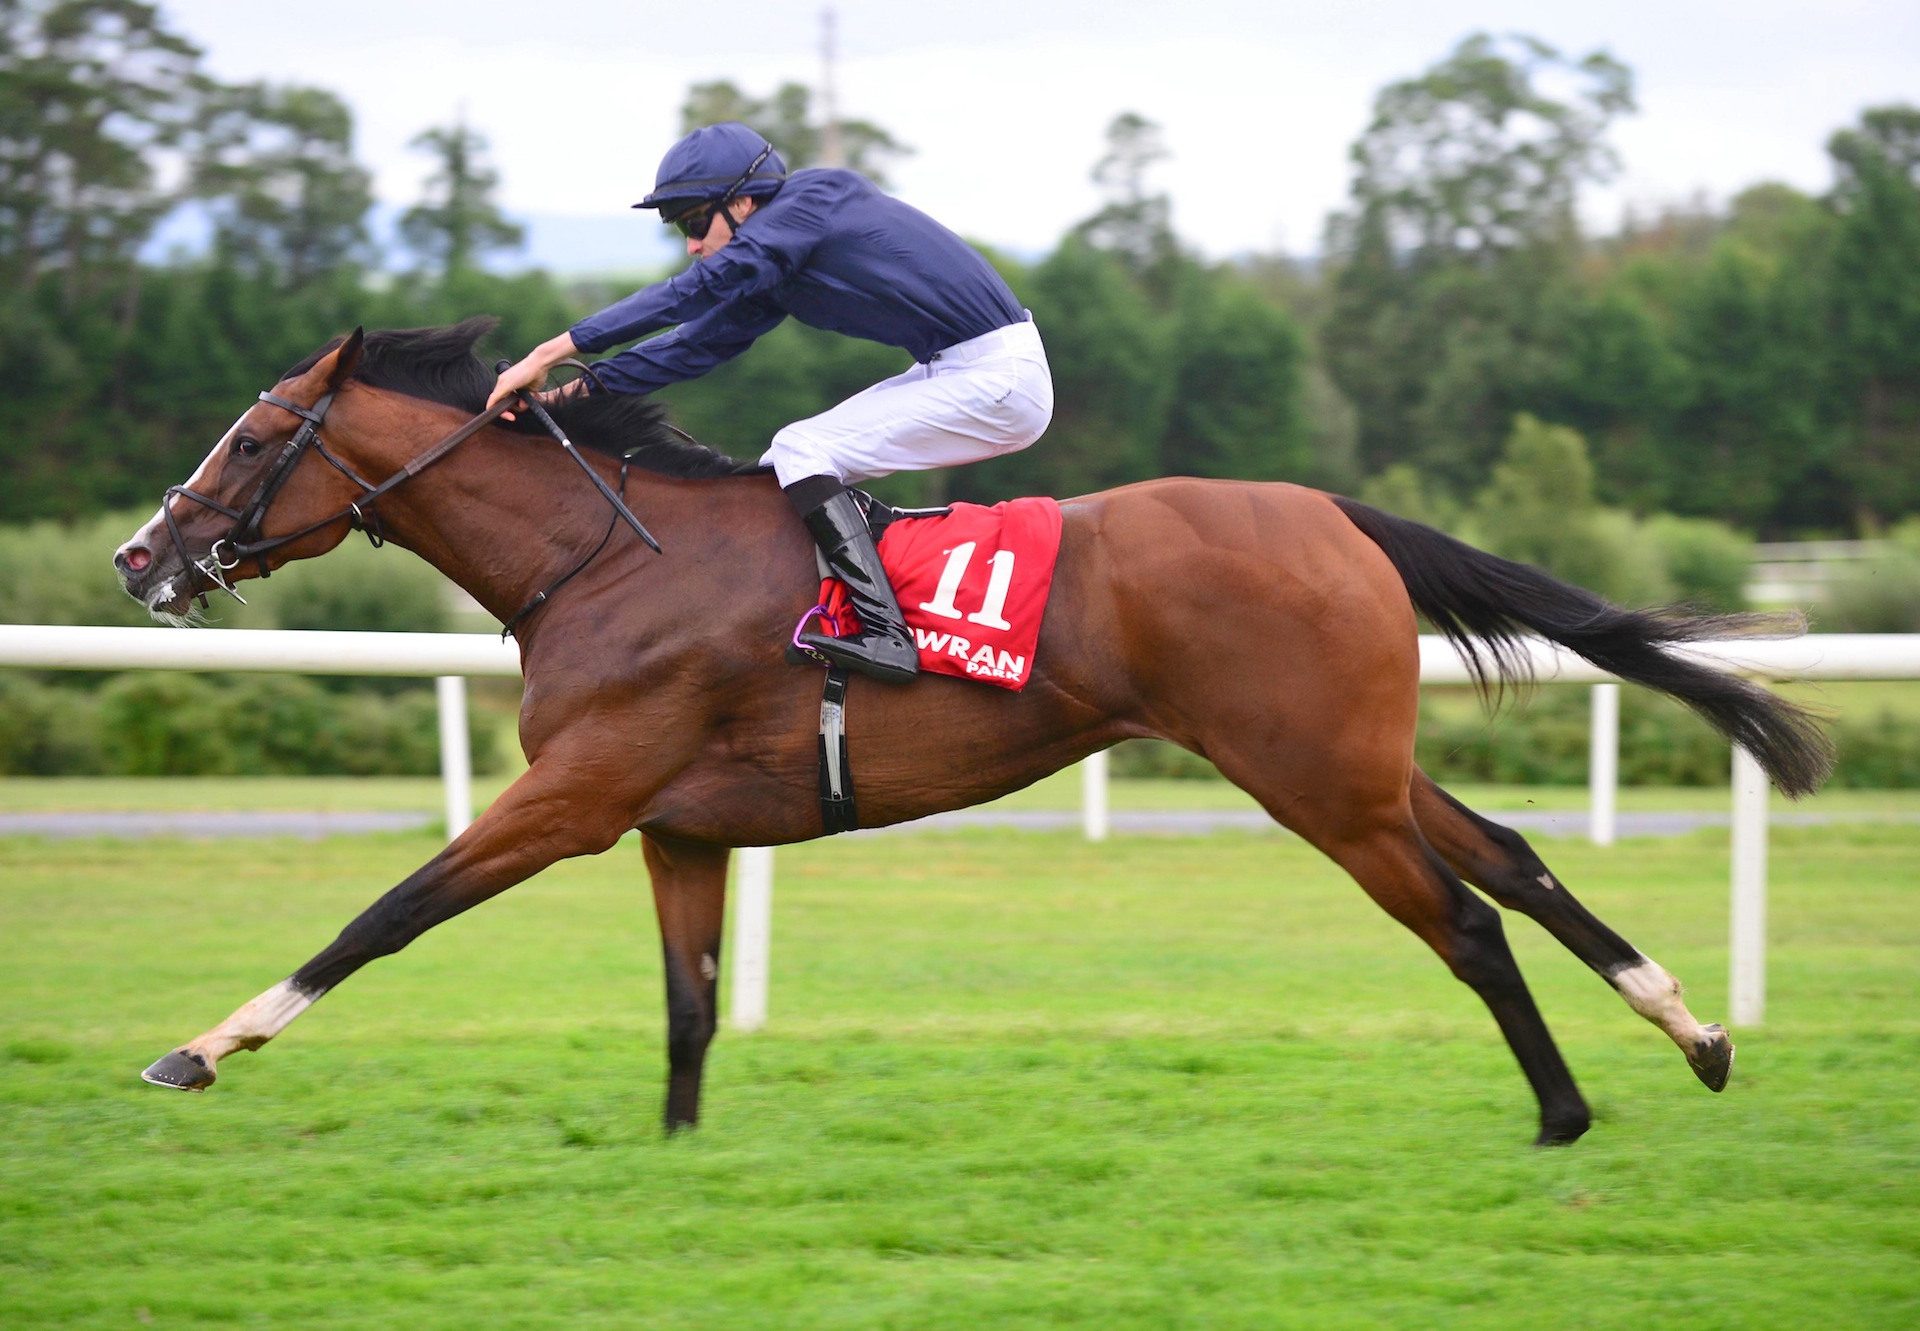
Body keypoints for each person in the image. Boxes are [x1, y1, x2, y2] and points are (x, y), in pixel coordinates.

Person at [488, 122, 1054, 684]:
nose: (691, 245)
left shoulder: (816, 199)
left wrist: (551, 350)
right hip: (962, 369)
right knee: (776, 473)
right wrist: (563, 396)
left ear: (743, 201)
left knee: (801, 449)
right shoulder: (776, 264)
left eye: (693, 222)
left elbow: (692, 290)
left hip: (1000, 375)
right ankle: (842, 611)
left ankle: (887, 633)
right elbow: (692, 346)